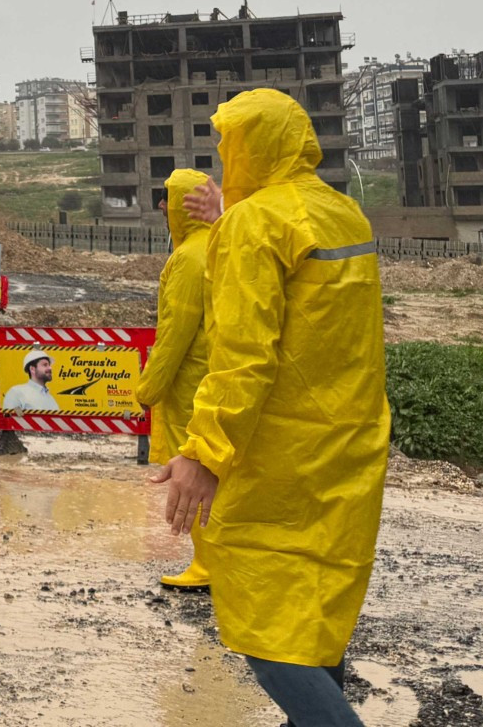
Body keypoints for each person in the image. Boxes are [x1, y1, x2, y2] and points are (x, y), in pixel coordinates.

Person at [150, 89, 387, 727]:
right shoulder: (343, 213)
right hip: (350, 443)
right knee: (315, 609)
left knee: (266, 628)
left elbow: (243, 357)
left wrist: (203, 452)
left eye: (228, 146)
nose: (225, 159)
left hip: (279, 456)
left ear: (250, 147)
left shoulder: (252, 225)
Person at [133, 167, 215, 589]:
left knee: (193, 477)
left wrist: (148, 388)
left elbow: (174, 335)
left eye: (166, 199)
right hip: (214, 379)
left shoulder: (187, 259)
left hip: (192, 385)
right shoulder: (218, 246)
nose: (162, 207)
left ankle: (207, 564)